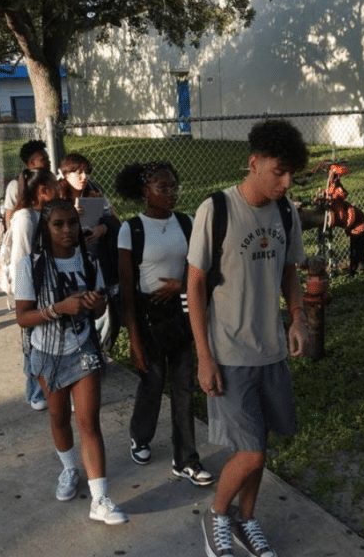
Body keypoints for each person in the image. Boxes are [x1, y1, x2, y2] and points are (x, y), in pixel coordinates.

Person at [187, 120, 309, 557]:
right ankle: (218, 516)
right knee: (251, 452)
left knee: (262, 443)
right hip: (229, 353)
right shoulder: (216, 210)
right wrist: (204, 357)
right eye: (279, 171)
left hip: (271, 352)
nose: (286, 181)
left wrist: (298, 318)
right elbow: (195, 284)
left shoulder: (286, 211)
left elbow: (290, 271)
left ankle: (247, 519)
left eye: (292, 172)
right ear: (253, 163)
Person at [13, 199, 128, 525]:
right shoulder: (29, 265)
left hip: (83, 350)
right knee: (59, 417)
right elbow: (23, 318)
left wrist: (96, 303)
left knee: (89, 423)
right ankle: (68, 468)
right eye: (58, 224)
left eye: (72, 223)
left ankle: (100, 499)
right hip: (46, 354)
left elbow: (100, 309)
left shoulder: (89, 260)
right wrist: (57, 309)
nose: (67, 230)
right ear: (45, 229)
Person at [115, 161, 213, 487]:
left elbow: (204, 269)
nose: (170, 193)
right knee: (153, 383)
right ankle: (140, 436)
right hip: (148, 317)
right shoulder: (132, 229)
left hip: (182, 311)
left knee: (184, 386)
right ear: (145, 192)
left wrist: (181, 286)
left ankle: (185, 459)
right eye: (162, 188)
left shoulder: (187, 223)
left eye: (174, 187)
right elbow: (127, 291)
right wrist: (134, 339)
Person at [6, 167, 60, 410]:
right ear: (43, 191)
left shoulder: (45, 213)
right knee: (31, 342)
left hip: (48, 285)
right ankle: (35, 393)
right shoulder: (26, 218)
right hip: (31, 290)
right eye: (55, 186)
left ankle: (51, 386)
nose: (59, 189)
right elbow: (21, 258)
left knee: (46, 338)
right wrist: (24, 295)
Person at [58, 153, 121, 353]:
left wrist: (103, 229)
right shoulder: (57, 195)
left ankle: (101, 351)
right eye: (78, 172)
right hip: (71, 266)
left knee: (108, 311)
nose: (83, 176)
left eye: (86, 172)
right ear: (65, 174)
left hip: (100, 261)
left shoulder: (94, 192)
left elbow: (114, 220)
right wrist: (71, 216)